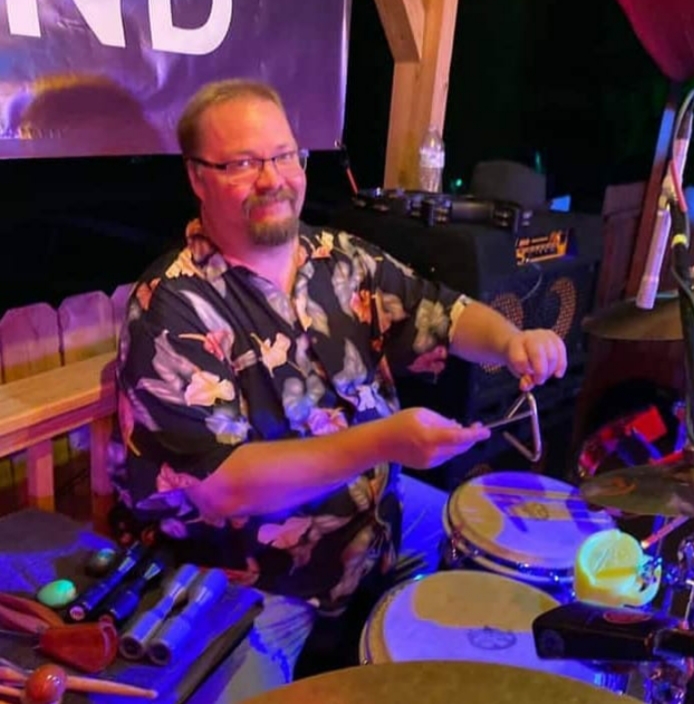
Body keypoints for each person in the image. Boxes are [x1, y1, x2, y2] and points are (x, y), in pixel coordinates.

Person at [109, 78, 567, 702]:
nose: (273, 178)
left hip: (384, 522)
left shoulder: (340, 258)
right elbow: (222, 486)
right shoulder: (171, 308)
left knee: (509, 591)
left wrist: (513, 342)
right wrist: (380, 442)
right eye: (242, 163)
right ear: (197, 176)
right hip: (254, 582)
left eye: (284, 155)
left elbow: (445, 313)